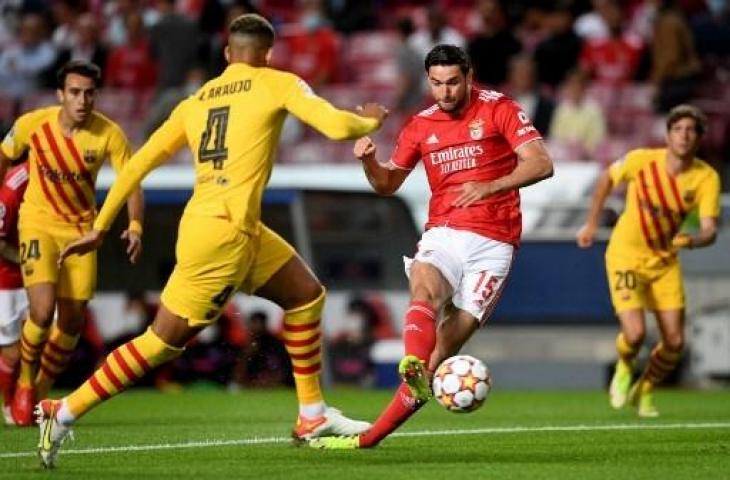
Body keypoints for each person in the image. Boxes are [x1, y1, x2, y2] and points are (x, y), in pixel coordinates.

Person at [36, 13, 387, 468]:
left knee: (305, 296)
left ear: (227, 55)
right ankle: (62, 411)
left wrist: (101, 227)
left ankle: (312, 415)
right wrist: (370, 123)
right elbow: (339, 128)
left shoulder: (194, 102)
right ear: (267, 54)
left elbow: (136, 165)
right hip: (224, 237)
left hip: (225, 225)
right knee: (162, 341)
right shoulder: (275, 82)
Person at [309, 44, 553, 449]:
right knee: (423, 285)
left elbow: (541, 163)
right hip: (445, 230)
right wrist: (369, 162)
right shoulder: (420, 125)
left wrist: (491, 185)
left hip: (494, 243)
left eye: (453, 82)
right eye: (437, 83)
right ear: (428, 81)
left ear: (469, 76)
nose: (445, 92)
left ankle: (369, 438)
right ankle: (410, 365)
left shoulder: (499, 108)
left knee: (438, 355)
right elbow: (387, 184)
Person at [0, 60, 144, 426]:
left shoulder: (108, 134)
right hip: (38, 225)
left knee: (74, 322)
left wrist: (136, 225)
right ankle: (25, 385)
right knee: (43, 311)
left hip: (82, 231)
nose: (83, 101)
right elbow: (4, 155)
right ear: (60, 95)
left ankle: (41, 390)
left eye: (90, 93)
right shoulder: (33, 124)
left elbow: (131, 180)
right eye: (75, 93)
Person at [576, 104, 720, 417]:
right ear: (668, 135)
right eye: (678, 130)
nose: (684, 136)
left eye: (691, 131)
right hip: (626, 255)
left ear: (699, 139)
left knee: (674, 341)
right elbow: (605, 180)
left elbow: (710, 230)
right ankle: (625, 367)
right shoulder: (642, 160)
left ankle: (645, 390)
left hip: (665, 262)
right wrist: (591, 223)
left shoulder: (705, 178)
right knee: (636, 334)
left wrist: (693, 240)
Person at [0, 163, 29, 425]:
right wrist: (30, 261)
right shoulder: (12, 188)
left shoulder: (55, 177)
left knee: (42, 340)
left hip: (37, 280)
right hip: (6, 284)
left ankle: (29, 399)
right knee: (12, 353)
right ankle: (9, 404)